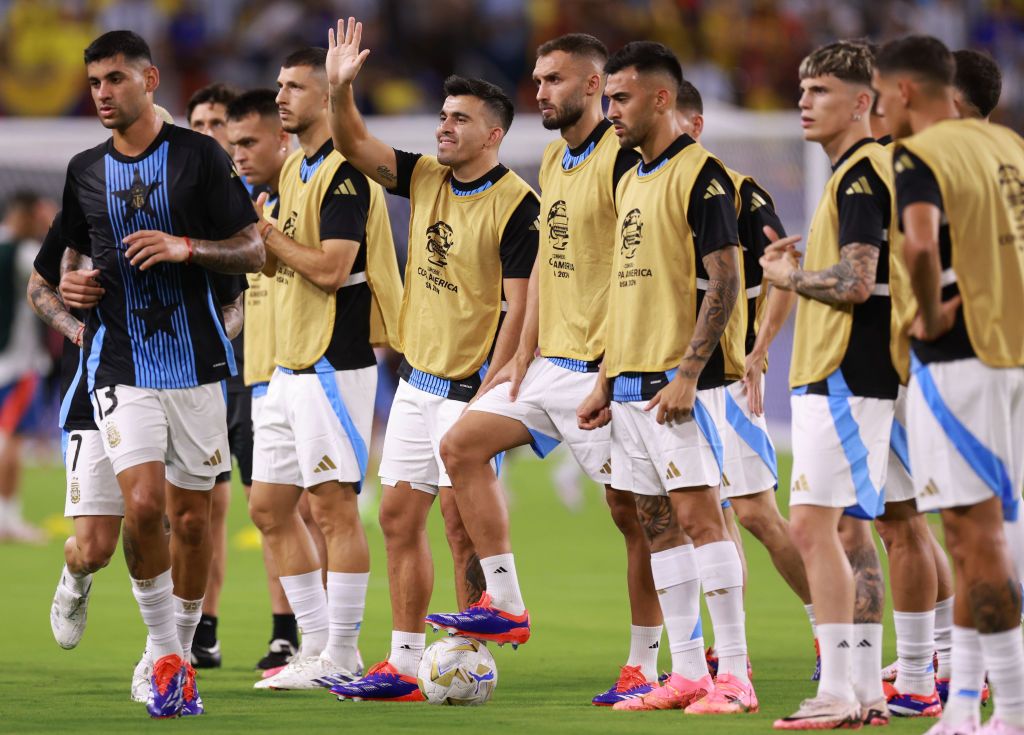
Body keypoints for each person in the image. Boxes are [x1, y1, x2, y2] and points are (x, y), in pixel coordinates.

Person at [439, 33, 662, 706]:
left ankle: (645, 663)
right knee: (460, 445)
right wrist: (517, 354)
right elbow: (543, 262)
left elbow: (636, 266)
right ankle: (505, 601)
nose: (541, 91)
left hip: (602, 366)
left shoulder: (624, 159)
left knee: (634, 513)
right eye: (537, 80)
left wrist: (613, 370)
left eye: (554, 80)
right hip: (546, 365)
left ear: (593, 86)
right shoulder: (554, 158)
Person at [325, 17, 537, 702]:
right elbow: (352, 142)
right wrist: (339, 91)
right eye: (443, 116)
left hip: (470, 384)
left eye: (459, 119)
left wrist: (496, 387)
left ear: (493, 133)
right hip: (417, 381)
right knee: (396, 518)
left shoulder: (518, 205)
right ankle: (405, 662)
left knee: (458, 522)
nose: (443, 127)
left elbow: (521, 303)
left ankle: (474, 647)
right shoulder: (423, 178)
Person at [60, 29, 263, 718]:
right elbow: (61, 268)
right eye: (94, 83)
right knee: (142, 507)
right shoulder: (85, 169)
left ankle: (167, 652)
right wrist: (74, 297)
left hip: (199, 365)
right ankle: (166, 651)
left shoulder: (200, 157)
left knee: (194, 524)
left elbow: (255, 248)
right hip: (121, 366)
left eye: (115, 79)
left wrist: (187, 246)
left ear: (149, 78)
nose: (103, 93)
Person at [576, 41, 757, 715]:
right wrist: (605, 375)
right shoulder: (630, 177)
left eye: (619, 98)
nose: (609, 111)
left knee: (701, 518)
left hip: (678, 386)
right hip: (628, 385)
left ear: (659, 99)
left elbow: (728, 279)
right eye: (607, 99)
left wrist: (687, 372)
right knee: (657, 525)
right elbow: (630, 289)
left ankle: (735, 674)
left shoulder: (703, 176)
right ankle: (685, 672)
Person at [875, 34, 1024, 735]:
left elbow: (921, 241)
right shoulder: (1008, 148)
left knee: (976, 535)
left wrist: (930, 313)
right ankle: (965, 706)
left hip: (964, 360)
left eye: (879, 94)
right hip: (1013, 356)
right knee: (979, 538)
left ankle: (1013, 712)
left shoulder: (922, 154)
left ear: (905, 91)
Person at [247, 46, 403, 691]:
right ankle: (312, 647)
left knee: (332, 508)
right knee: (268, 507)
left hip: (333, 364)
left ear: (324, 97)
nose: (281, 97)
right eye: (279, 85)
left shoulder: (343, 172)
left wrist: (266, 233)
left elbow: (333, 268)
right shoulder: (292, 170)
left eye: (294, 88)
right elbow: (275, 261)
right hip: (289, 362)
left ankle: (341, 654)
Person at [763, 40, 898, 729]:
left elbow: (856, 281)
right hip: (859, 374)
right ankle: (868, 688)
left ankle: (838, 692)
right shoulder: (863, 171)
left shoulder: (858, 176)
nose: (804, 102)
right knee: (850, 530)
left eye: (820, 91)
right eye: (802, 88)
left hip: (845, 373)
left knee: (811, 528)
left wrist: (787, 278)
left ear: (863, 101)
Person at [673, 81, 817, 677]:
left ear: (697, 126)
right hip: (669, 377)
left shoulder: (737, 192)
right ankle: (727, 652)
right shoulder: (640, 189)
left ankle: (826, 628)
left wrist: (760, 350)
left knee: (754, 512)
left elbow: (784, 268)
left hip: (729, 375)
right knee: (703, 515)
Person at [185, 80, 244, 669]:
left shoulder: (249, 195)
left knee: (255, 506)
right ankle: (195, 624)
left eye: (216, 123)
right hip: (195, 369)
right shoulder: (183, 196)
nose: (206, 134)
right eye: (197, 124)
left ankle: (211, 624)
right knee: (193, 506)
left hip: (257, 368)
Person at [0, 190, 54, 543]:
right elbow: (56, 277)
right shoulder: (21, 253)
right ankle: (8, 519)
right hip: (15, 362)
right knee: (10, 439)